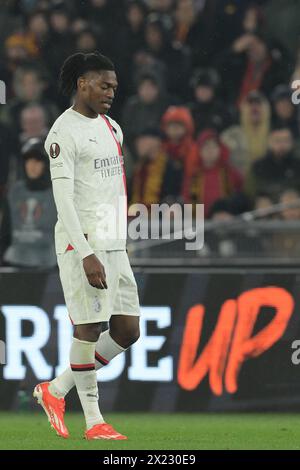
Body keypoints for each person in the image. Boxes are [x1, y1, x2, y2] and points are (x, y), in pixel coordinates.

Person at [33, 52, 140, 441]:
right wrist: (86, 252)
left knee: (128, 330)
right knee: (89, 327)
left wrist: (120, 243)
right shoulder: (63, 133)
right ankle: (94, 421)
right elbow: (63, 201)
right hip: (85, 246)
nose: (112, 92)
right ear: (82, 84)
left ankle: (56, 389)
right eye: (104, 85)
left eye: (114, 86)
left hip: (114, 243)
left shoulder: (113, 127)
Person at [3, 138, 56, 268]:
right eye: (28, 160)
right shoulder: (15, 192)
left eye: (37, 161)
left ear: (46, 164)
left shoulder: (57, 192)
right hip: (15, 261)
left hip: (48, 262)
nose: (32, 165)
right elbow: (5, 231)